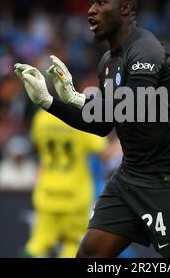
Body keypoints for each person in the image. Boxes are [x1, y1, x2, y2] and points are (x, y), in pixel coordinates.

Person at [14, 0, 170, 258]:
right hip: (131, 175)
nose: (91, 10)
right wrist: (49, 102)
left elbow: (136, 108)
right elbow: (104, 125)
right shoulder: (108, 61)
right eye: (91, 4)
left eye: (101, 3)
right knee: (89, 255)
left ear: (126, 9)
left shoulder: (146, 50)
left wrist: (79, 98)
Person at [22, 109, 107, 258]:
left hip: (47, 192)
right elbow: (103, 151)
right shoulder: (81, 117)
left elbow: (36, 146)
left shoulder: (41, 118)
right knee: (73, 243)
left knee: (38, 243)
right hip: (75, 196)